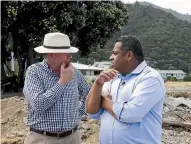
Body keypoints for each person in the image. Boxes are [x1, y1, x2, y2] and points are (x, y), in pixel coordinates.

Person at [86, 35, 166, 144]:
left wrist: (103, 101)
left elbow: (130, 114)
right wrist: (98, 84)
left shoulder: (150, 78)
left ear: (129, 55)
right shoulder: (112, 77)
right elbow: (92, 113)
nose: (110, 57)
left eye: (115, 53)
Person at [23, 32, 90, 144]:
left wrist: (77, 114)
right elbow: (39, 105)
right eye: (66, 53)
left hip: (72, 138)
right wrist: (62, 82)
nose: (70, 56)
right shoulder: (34, 72)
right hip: (43, 139)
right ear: (51, 55)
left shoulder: (74, 72)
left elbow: (89, 94)